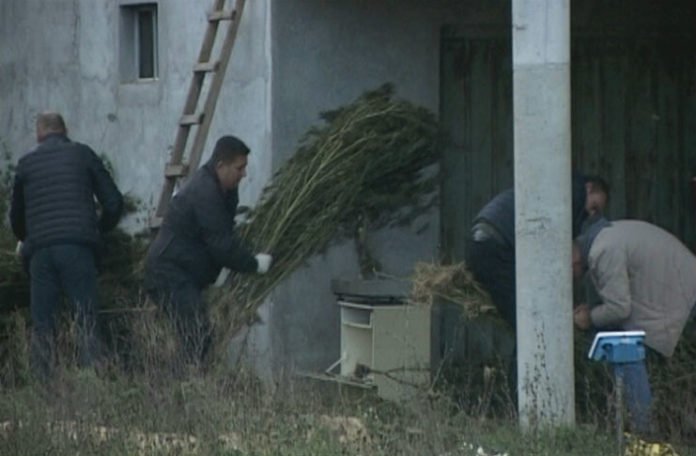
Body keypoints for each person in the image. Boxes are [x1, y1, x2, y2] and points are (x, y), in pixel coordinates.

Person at [9, 112, 124, 380]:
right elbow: (114, 202)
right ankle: (91, 385)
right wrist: (98, 230)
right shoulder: (82, 155)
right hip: (77, 249)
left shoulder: (26, 165)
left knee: (43, 327)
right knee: (85, 319)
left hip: (40, 254)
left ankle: (45, 394)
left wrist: (31, 238)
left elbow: (16, 219)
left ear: (38, 135)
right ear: (65, 130)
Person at [144, 135, 272, 365]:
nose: (244, 174)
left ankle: (187, 385)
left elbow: (224, 232)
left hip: (184, 272)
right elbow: (221, 244)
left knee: (196, 336)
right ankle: (182, 389)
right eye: (239, 168)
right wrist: (253, 264)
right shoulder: (204, 192)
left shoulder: (225, 190)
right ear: (220, 166)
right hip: (169, 273)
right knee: (196, 335)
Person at [572, 218, 696, 435]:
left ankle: (644, 430)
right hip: (680, 289)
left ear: (572, 259)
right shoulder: (606, 238)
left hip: (683, 296)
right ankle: (647, 424)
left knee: (627, 352)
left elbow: (619, 308)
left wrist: (589, 318)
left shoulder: (603, 251)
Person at [465, 173, 589, 330]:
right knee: (525, 318)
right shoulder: (572, 195)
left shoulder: (544, 196)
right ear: (590, 188)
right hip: (494, 245)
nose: (591, 214)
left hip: (483, 240)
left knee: (520, 314)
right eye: (594, 207)